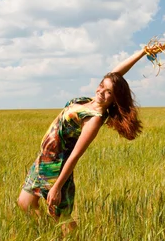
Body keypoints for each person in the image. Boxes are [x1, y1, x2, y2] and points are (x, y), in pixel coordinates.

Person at [17, 48, 147, 231]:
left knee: (60, 215)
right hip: (43, 159)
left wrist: (57, 187)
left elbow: (75, 155)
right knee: (25, 203)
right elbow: (116, 74)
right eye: (102, 85)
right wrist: (142, 52)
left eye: (108, 92)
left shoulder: (94, 118)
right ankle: (49, 235)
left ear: (115, 99)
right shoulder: (90, 100)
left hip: (57, 165)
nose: (102, 91)